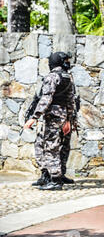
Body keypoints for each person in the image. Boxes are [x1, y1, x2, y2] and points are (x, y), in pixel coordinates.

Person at [24, 52, 77, 190]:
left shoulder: (52, 77)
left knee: (51, 147)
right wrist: (70, 119)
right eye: (65, 60)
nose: (67, 63)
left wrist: (34, 117)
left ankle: (55, 179)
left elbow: (46, 98)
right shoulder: (68, 77)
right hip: (63, 117)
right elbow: (71, 101)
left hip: (53, 117)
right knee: (47, 144)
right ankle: (48, 175)